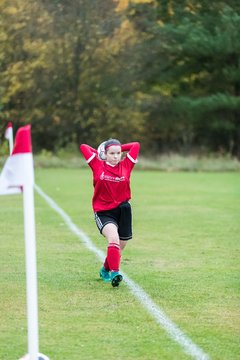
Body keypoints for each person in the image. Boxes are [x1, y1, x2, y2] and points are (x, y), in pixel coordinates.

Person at [80, 139, 140, 287]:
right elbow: (84, 146)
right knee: (113, 238)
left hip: (123, 210)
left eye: (118, 153)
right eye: (111, 153)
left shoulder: (126, 165)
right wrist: (100, 151)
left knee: (119, 246)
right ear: (105, 154)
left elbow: (136, 145)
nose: (115, 156)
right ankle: (115, 273)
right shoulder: (97, 165)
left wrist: (119, 146)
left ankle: (105, 269)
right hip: (104, 211)